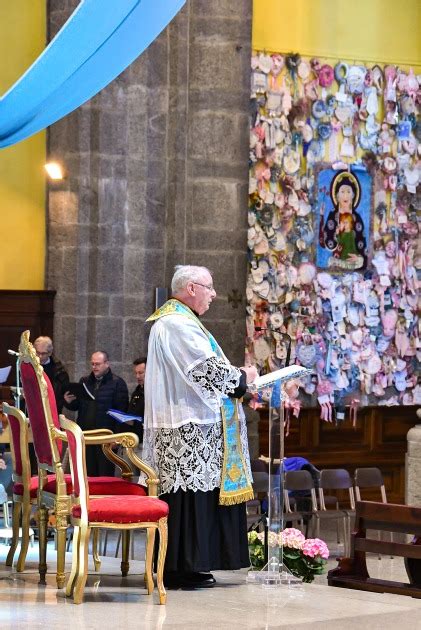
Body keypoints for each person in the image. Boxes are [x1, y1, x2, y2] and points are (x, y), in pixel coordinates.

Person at [142, 264, 258, 589]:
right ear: (191, 288)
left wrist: (235, 376)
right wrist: (241, 378)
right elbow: (205, 370)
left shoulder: (178, 321)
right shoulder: (177, 323)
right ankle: (184, 567)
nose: (214, 294)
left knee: (194, 496)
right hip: (188, 427)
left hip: (189, 425)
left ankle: (191, 565)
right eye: (209, 287)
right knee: (190, 497)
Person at [64, 351, 129, 476]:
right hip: (87, 435)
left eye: (97, 364)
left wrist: (116, 438)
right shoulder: (85, 381)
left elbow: (121, 412)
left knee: (105, 474)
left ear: (107, 364)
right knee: (88, 473)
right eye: (92, 364)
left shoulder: (117, 383)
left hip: (105, 437)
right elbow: (78, 406)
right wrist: (69, 402)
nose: (94, 367)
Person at [319, 170, 367, 270]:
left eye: (348, 192)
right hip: (337, 262)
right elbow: (327, 242)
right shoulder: (333, 216)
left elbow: (362, 246)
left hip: (353, 265)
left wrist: (358, 258)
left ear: (353, 195)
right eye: (342, 192)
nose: (345, 196)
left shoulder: (356, 219)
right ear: (337, 195)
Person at [34, 336, 70, 413]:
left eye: (43, 353)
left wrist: (62, 401)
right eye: (37, 353)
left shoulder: (60, 371)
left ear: (50, 353)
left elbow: (63, 394)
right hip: (32, 410)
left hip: (51, 411)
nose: (39, 356)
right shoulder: (28, 366)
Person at [126, 357, 146, 445]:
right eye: (136, 373)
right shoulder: (137, 391)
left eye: (141, 373)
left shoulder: (155, 393)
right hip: (133, 439)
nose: (137, 376)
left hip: (145, 441)